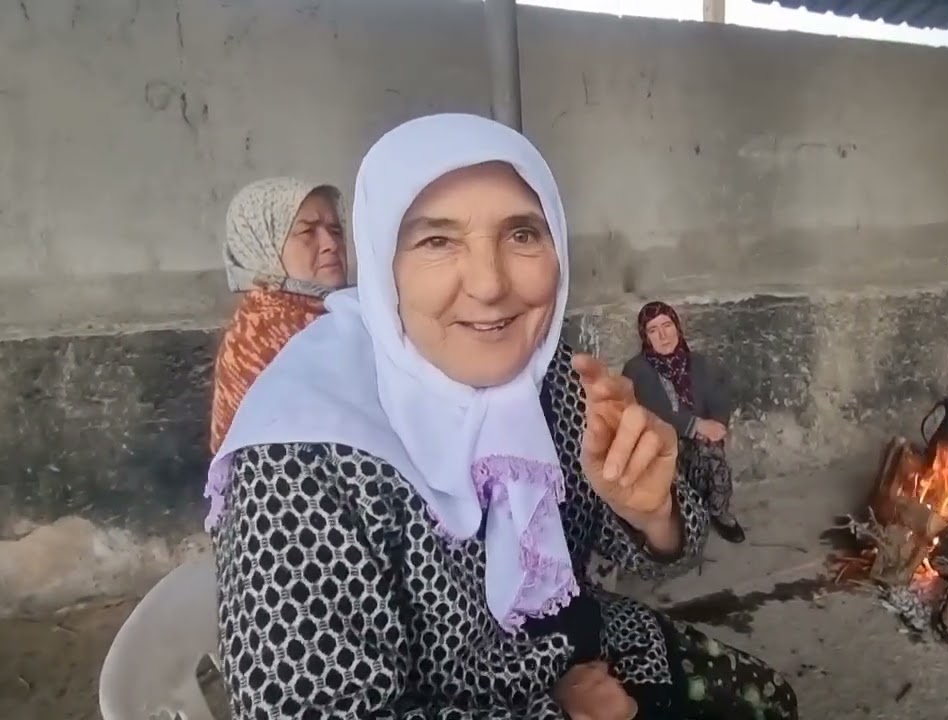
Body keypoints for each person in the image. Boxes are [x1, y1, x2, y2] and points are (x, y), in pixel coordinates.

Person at [202, 114, 798, 719]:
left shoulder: (551, 377)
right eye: (437, 240)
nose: (489, 286)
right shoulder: (297, 458)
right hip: (493, 702)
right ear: (385, 267)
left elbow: (660, 544)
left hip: (584, 644)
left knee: (773, 703)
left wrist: (654, 514)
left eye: (522, 235)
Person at [208, 177, 348, 452]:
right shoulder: (261, 334)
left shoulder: (348, 313)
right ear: (263, 245)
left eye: (336, 229)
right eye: (308, 232)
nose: (331, 243)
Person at [623, 302, 746, 544]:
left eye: (667, 325)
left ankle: (719, 512)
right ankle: (675, 520)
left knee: (711, 453)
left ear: (678, 328)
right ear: (645, 337)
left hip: (695, 440)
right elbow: (652, 411)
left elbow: (718, 397)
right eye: (653, 330)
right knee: (674, 510)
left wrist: (715, 426)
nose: (663, 335)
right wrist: (696, 425)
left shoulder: (697, 362)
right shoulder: (637, 369)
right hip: (657, 443)